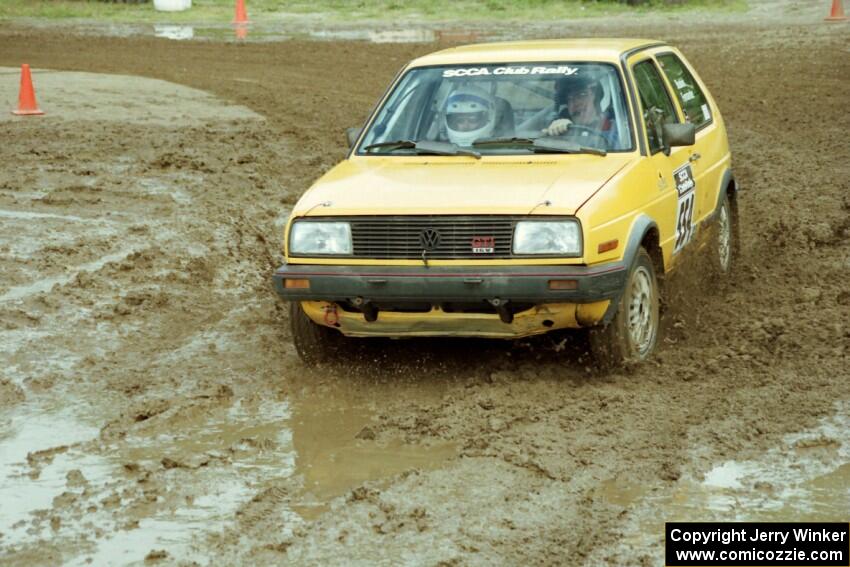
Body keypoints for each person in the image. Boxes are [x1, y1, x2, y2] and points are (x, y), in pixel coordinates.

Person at [541, 74, 617, 147]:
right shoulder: (563, 130)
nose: (575, 103)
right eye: (569, 99)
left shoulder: (616, 128)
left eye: (582, 95)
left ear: (597, 98)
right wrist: (556, 133)